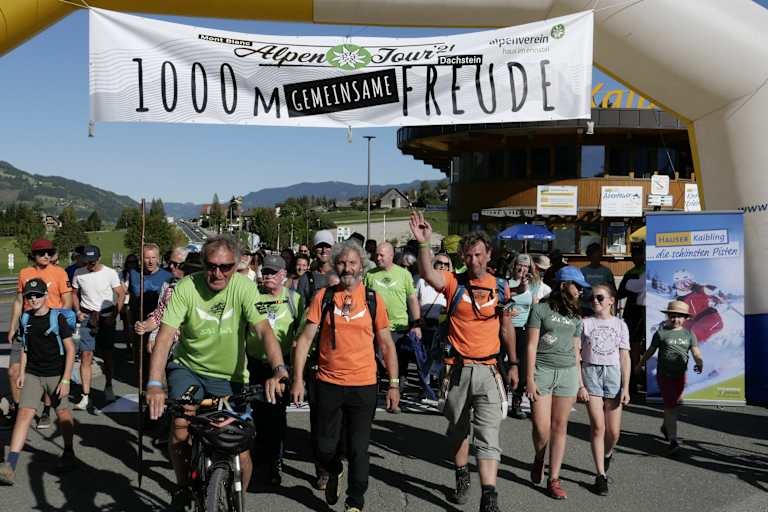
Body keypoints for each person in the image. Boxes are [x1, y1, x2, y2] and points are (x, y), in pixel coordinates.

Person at [145, 235, 289, 510]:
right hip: (189, 369)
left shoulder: (243, 288)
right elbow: (164, 339)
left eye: (226, 267)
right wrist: (154, 384)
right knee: (180, 430)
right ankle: (183, 486)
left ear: (236, 266)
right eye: (212, 265)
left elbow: (264, 331)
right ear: (202, 263)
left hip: (230, 377)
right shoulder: (187, 288)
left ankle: (238, 498)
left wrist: (279, 369)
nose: (218, 273)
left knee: (242, 450)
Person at [410, 211, 517, 512]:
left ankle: (489, 495)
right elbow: (429, 274)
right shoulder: (453, 282)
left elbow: (507, 327)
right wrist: (424, 244)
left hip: (489, 369)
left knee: (488, 434)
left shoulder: (501, 287)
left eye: (478, 255)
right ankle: (461, 477)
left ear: (488, 254)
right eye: (468, 256)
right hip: (456, 370)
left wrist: (516, 364)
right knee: (459, 430)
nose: (473, 261)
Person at [291, 239, 399, 512]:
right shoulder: (324, 297)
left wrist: (394, 383)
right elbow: (304, 340)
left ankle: (355, 501)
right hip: (328, 383)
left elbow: (386, 343)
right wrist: (297, 379)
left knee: (358, 447)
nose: (347, 267)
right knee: (323, 447)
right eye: (342, 262)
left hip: (364, 384)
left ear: (362, 266)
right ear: (335, 265)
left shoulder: (373, 299)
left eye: (352, 262)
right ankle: (334, 469)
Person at [0, 278, 77, 485]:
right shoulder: (25, 319)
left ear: (45, 296)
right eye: (29, 296)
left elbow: (70, 349)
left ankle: (69, 451)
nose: (33, 299)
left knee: (62, 414)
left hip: (56, 374)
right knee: (24, 413)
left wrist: (66, 379)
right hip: (34, 373)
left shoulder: (57, 318)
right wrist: (23, 373)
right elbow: (25, 348)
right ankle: (10, 465)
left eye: (37, 295)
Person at [526, 265, 589, 500]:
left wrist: (581, 383)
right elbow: (531, 346)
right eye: (578, 286)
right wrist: (529, 379)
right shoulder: (540, 309)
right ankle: (539, 456)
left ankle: (554, 478)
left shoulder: (575, 316)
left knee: (560, 427)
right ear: (564, 285)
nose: (581, 291)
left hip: (567, 375)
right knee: (541, 429)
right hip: (542, 372)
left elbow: (576, 351)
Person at [247, 254, 303, 486]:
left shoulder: (294, 299)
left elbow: (302, 333)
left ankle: (275, 461)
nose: (267, 276)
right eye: (265, 272)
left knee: (277, 415)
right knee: (257, 413)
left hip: (281, 366)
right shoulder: (252, 296)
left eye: (272, 272)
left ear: (283, 275)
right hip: (254, 363)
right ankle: (260, 454)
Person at [7, 239, 72, 429]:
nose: (46, 256)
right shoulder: (24, 273)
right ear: (33, 255)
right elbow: (19, 301)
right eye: (41, 253)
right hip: (26, 327)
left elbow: (67, 301)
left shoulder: (59, 272)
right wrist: (12, 326)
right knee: (13, 372)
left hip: (50, 328)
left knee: (46, 373)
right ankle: (19, 410)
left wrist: (58, 324)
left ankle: (45, 411)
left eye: (49, 252)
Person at [580, 284, 630, 495]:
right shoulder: (584, 323)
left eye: (600, 298)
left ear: (611, 300)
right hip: (591, 373)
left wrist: (626, 386)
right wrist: (580, 384)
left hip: (613, 375)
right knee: (598, 427)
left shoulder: (620, 325)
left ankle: (607, 454)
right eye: (592, 298)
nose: (595, 301)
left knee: (614, 432)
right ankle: (601, 475)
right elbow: (577, 354)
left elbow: (625, 356)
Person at [636, 300, 703, 455]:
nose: (676, 319)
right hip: (664, 376)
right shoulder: (661, 333)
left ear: (685, 318)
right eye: (672, 316)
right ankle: (673, 439)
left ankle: (666, 426)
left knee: (674, 404)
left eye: (680, 316)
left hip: (680, 376)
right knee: (671, 406)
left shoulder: (689, 334)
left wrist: (699, 362)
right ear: (667, 316)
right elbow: (650, 351)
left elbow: (695, 351)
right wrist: (640, 364)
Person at [364, 242, 422, 398]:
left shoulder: (404, 274)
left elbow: (412, 299)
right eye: (377, 254)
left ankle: (396, 390)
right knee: (375, 361)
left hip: (399, 327)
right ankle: (375, 390)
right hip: (376, 327)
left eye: (382, 255)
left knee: (399, 363)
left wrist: (416, 324)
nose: (378, 257)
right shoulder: (370, 275)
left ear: (391, 255)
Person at [71, 245, 125, 407]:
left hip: (106, 317)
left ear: (99, 258)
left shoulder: (110, 273)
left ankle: (108, 386)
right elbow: (73, 293)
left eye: (93, 261)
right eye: (87, 261)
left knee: (107, 355)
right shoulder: (78, 273)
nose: (90, 264)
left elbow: (121, 293)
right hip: (87, 317)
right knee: (86, 355)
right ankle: (86, 395)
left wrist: (114, 316)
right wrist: (78, 311)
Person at [129, 243, 173, 382]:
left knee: (157, 360)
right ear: (141, 258)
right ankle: (143, 393)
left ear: (158, 258)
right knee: (140, 361)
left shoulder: (167, 276)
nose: (150, 261)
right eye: (147, 258)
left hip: (159, 325)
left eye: (153, 257)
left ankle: (158, 388)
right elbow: (131, 298)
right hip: (139, 325)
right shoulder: (134, 274)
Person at [506, 254, 541, 419]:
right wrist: (507, 310)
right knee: (500, 362)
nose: (522, 269)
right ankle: (499, 394)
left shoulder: (533, 285)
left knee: (522, 365)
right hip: (505, 327)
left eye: (526, 267)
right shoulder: (506, 282)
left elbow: (535, 308)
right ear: (513, 266)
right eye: (519, 265)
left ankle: (516, 403)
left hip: (523, 328)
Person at [618, 243, 646, 394]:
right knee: (632, 347)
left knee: (644, 346)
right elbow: (620, 293)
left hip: (643, 313)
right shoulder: (631, 272)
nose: (637, 258)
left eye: (640, 254)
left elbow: (622, 292)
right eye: (635, 255)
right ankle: (634, 380)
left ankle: (640, 379)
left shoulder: (639, 272)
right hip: (634, 313)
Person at [672, 269, 725, 343]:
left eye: (686, 282)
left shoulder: (698, 289)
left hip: (711, 318)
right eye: (679, 284)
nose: (684, 286)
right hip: (694, 321)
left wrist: (715, 292)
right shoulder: (680, 300)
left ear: (691, 281)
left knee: (695, 331)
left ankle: (696, 349)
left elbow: (717, 294)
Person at [297, 230, 339, 306]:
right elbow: (301, 310)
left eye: (327, 246)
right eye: (320, 246)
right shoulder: (306, 279)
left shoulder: (341, 275)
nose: (324, 250)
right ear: (314, 249)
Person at [581, 243, 615, 312]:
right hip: (586, 308)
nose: (597, 256)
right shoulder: (582, 271)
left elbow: (613, 290)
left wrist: (613, 309)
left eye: (599, 254)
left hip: (603, 307)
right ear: (589, 256)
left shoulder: (606, 271)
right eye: (594, 254)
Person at [120, 254, 139, 342]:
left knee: (135, 324)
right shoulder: (122, 274)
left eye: (134, 262)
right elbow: (124, 290)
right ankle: (128, 343)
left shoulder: (140, 273)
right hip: (125, 302)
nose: (132, 265)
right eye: (130, 262)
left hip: (136, 303)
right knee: (126, 325)